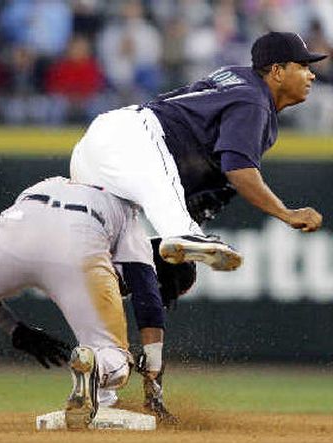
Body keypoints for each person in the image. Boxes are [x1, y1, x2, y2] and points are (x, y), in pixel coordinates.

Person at [0, 176, 195, 427]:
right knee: (112, 357)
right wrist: (154, 392)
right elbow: (148, 306)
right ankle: (97, 375)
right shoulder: (131, 224)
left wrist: (13, 328)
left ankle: (100, 396)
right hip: (78, 237)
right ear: (159, 276)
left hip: (18, 222)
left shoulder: (61, 183)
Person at [70, 31, 325, 268]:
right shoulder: (254, 101)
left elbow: (222, 168)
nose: (311, 74)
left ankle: (146, 267)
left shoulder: (238, 77)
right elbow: (240, 170)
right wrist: (287, 214)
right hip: (136, 138)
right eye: (302, 66)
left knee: (108, 253)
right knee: (179, 223)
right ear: (277, 71)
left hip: (99, 148)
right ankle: (183, 233)